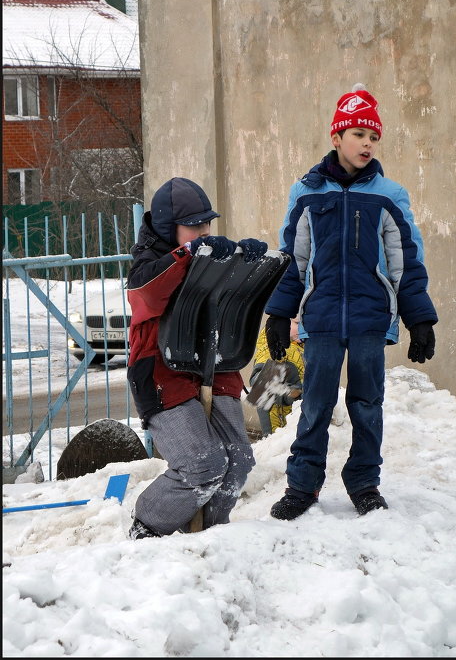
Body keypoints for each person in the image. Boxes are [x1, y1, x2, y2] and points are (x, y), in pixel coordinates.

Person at [263, 84, 438, 520]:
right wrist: (280, 311)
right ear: (336, 137)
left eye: (373, 136)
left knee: (366, 404)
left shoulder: (387, 196)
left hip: (369, 317)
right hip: (320, 317)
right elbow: (293, 258)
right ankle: (303, 485)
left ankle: (363, 481)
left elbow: (406, 262)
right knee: (316, 404)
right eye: (358, 134)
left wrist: (419, 318)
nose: (367, 143)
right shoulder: (306, 193)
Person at [126, 176, 268, 538]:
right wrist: (187, 255)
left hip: (213, 361)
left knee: (237, 461)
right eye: (193, 225)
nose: (203, 231)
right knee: (201, 464)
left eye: (207, 223)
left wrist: (242, 263)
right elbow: (147, 294)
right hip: (161, 369)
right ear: (166, 226)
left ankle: (209, 536)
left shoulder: (206, 251)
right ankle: (147, 526)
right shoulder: (146, 263)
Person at [249, 318, 304, 437]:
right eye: (297, 323)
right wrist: (292, 394)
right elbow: (261, 388)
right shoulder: (277, 350)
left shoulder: (303, 349)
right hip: (277, 425)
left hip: (297, 424)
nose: (303, 327)